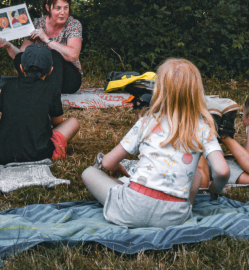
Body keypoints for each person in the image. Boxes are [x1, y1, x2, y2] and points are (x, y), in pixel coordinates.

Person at [81, 58, 232, 229]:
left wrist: (118, 169)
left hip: (131, 210)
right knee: (196, 174)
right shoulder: (203, 127)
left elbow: (108, 162)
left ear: (159, 89)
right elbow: (222, 171)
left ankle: (130, 190)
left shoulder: (147, 121)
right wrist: (215, 189)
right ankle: (185, 206)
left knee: (89, 172)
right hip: (174, 217)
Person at [0, 44, 80, 164]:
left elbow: (9, 116)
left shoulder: (8, 87)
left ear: (21, 67)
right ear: (51, 70)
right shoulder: (51, 89)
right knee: (73, 122)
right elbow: (57, 123)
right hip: (39, 155)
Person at [0, 0, 83, 94]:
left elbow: (73, 55)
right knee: (20, 58)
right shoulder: (37, 24)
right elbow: (23, 56)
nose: (63, 12)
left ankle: (51, 101)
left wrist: (46, 39)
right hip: (41, 76)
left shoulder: (73, 24)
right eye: (58, 8)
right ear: (48, 8)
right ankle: (34, 90)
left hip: (68, 79)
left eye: (66, 8)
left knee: (53, 54)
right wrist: (8, 46)